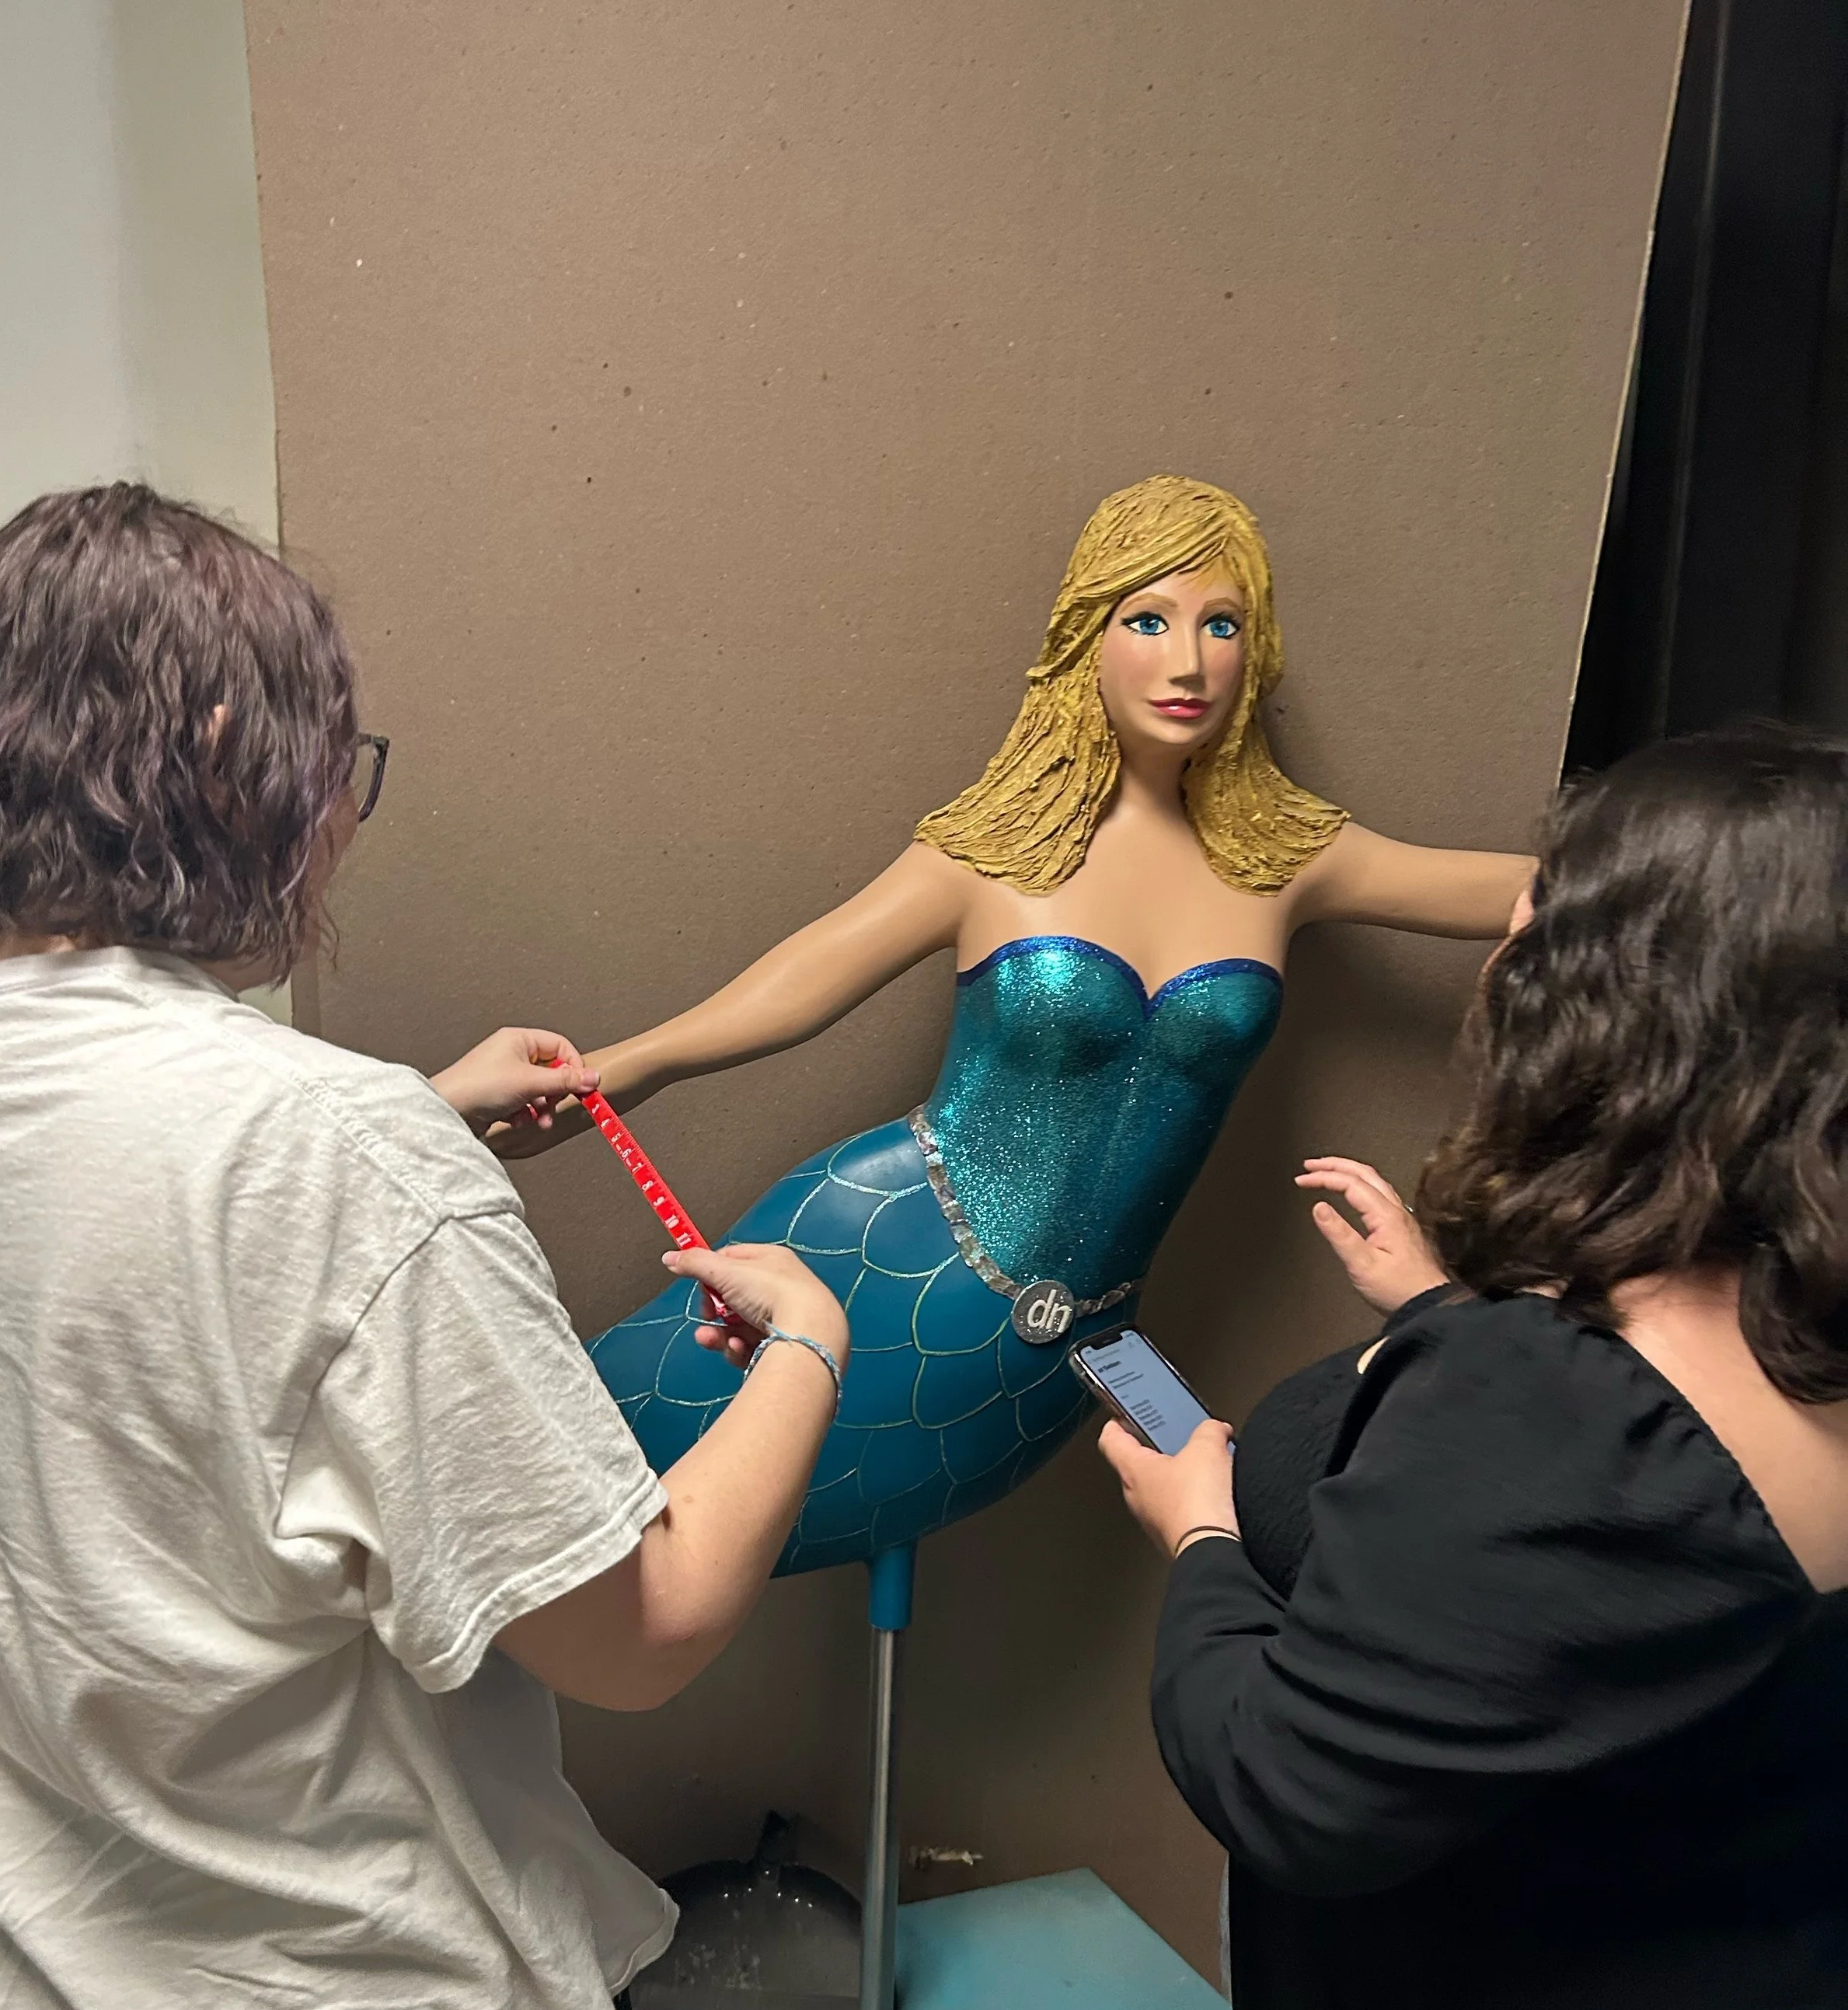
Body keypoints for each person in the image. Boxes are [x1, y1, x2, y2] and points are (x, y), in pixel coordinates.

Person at [0, 484, 849, 2010]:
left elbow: (73, 1296)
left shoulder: (297, 1149)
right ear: (248, 773)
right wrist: (817, 1350)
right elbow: (641, 1629)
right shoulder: (329, 1162)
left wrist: (409, 1135)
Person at [1098, 730, 1848, 2010]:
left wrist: (1204, 1535)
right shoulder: (1746, 1331)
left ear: (1635, 997)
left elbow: (1288, 1775)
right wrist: (1436, 1308)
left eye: (1540, 914)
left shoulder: (1552, 1416)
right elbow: (1614, 1574)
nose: (1504, 940)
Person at [555, 474, 1531, 1583]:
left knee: (816, 1538)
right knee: (590, 1506)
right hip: (876, 1251)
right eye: (1148, 621)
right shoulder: (993, 851)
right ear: (1088, 638)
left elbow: (1530, 892)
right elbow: (811, 972)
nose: (1188, 662)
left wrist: (1711, 863)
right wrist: (626, 1069)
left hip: (1084, 1335)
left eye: (1223, 625)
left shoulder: (1291, 859)